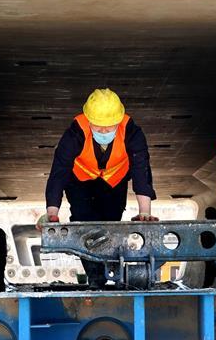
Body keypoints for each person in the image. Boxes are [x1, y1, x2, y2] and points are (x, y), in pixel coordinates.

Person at [37, 88, 158, 287]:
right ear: (88, 119)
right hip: (79, 181)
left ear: (118, 121)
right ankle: (96, 278)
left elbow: (141, 169)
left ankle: (109, 270)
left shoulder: (132, 132)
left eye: (109, 127)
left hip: (114, 181)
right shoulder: (75, 132)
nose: (103, 131)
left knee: (110, 224)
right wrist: (52, 212)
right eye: (98, 126)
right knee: (84, 222)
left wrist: (145, 212)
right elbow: (59, 171)